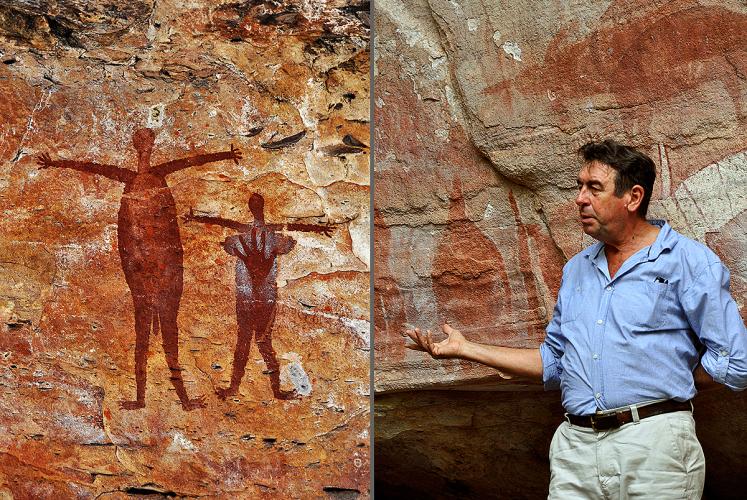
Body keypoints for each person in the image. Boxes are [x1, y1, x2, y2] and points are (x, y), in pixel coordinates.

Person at [405, 139, 747, 499]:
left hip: (654, 444)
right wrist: (466, 349)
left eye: (594, 188)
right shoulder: (577, 270)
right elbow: (556, 363)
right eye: (580, 187)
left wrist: (669, 383)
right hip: (576, 447)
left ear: (632, 197)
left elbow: (735, 361)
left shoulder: (688, 261)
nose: (580, 198)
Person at [38, 128, 242, 411]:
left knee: (169, 332)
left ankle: (182, 399)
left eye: (147, 142)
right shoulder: (130, 178)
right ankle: (142, 398)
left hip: (167, 268)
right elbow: (91, 167)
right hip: (140, 270)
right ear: (137, 146)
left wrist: (226, 154)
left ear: (152, 145)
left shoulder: (157, 173)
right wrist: (56, 163)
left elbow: (195, 161)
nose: (144, 147)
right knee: (143, 334)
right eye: (141, 143)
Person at [183, 193, 332, 400]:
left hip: (259, 296)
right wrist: (197, 219)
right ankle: (249, 388)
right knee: (256, 341)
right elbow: (222, 222)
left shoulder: (255, 233)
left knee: (255, 341)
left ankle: (254, 389)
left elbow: (222, 222)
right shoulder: (264, 233)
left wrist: (197, 219)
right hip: (254, 297)